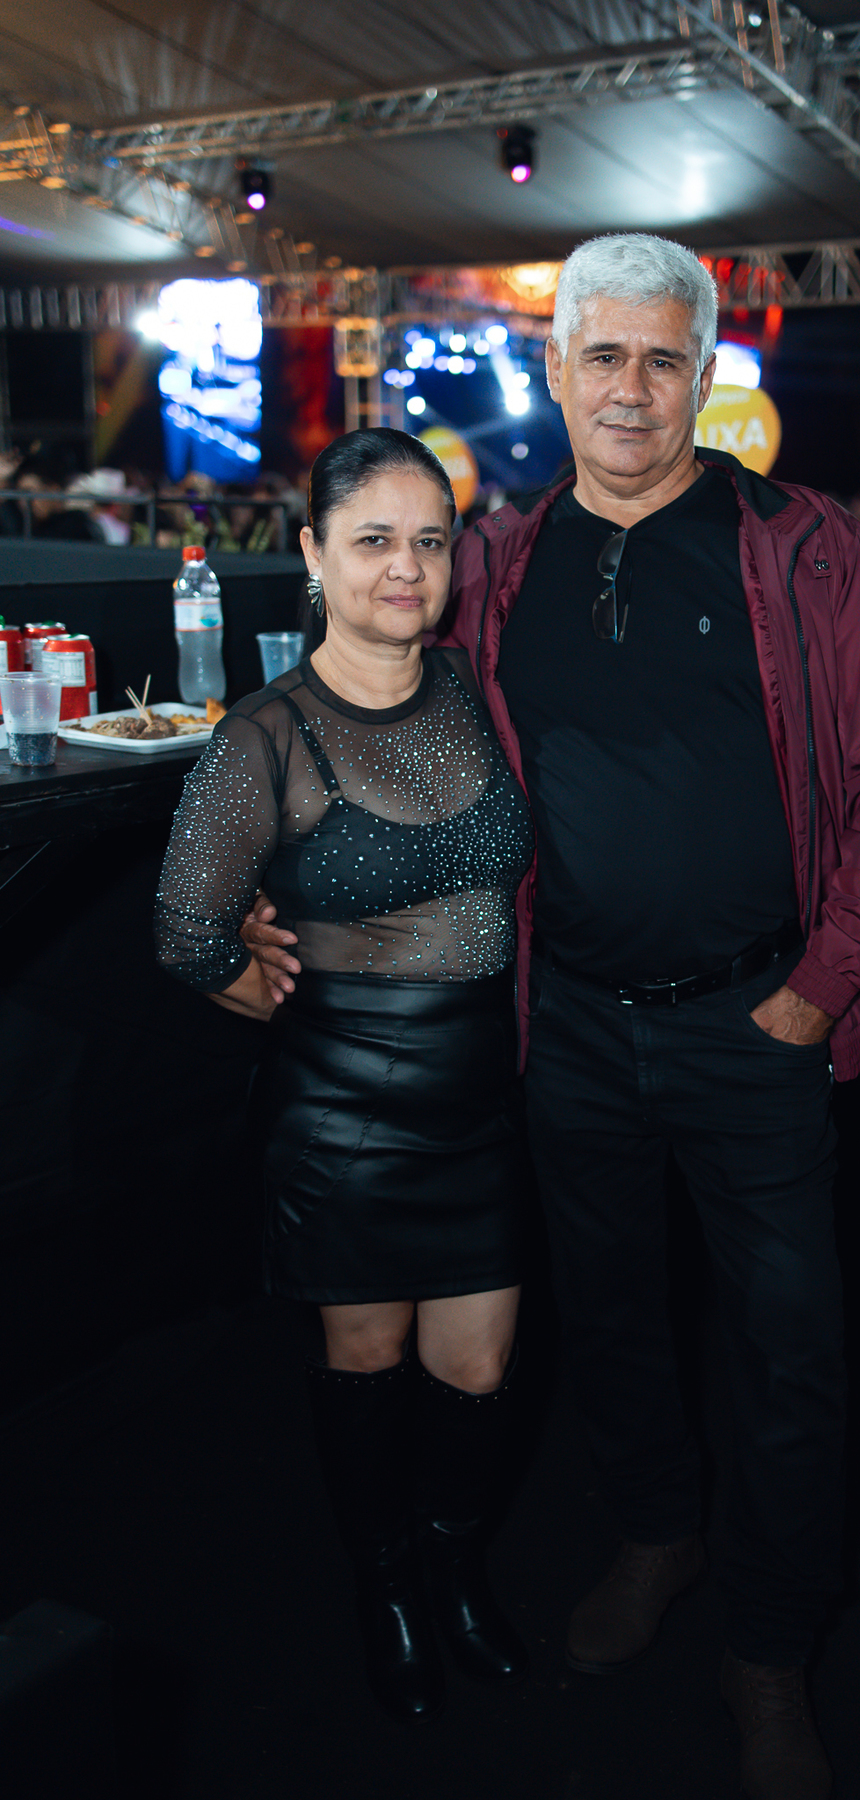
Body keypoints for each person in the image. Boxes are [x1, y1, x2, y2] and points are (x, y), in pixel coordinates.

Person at [247, 234, 860, 1800]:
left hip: (757, 1025)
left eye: (661, 359)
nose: (631, 388)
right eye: (603, 356)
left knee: (791, 1357)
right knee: (613, 1316)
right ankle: (653, 1537)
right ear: (554, 369)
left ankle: (770, 1651)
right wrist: (245, 862)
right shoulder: (494, 562)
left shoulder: (809, 551)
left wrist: (823, 986)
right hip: (561, 1024)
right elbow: (371, 716)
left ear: (706, 376)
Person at [155, 428, 534, 1725]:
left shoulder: (475, 687)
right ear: (315, 553)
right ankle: (387, 1591)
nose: (406, 568)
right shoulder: (264, 735)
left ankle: (455, 1569)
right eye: (374, 540)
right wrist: (257, 984)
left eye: (429, 541)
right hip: (343, 1116)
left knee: (480, 1366)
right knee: (366, 1363)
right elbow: (184, 929)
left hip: (478, 1100)